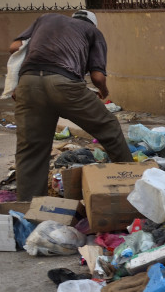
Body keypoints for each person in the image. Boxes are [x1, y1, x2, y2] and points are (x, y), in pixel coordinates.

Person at [10, 11, 133, 200]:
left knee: (31, 149)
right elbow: (97, 76)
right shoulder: (93, 32)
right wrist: (104, 91)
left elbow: (14, 47)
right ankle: (132, 184)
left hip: (28, 84)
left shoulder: (47, 18)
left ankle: (29, 210)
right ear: (92, 24)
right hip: (64, 83)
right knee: (108, 128)